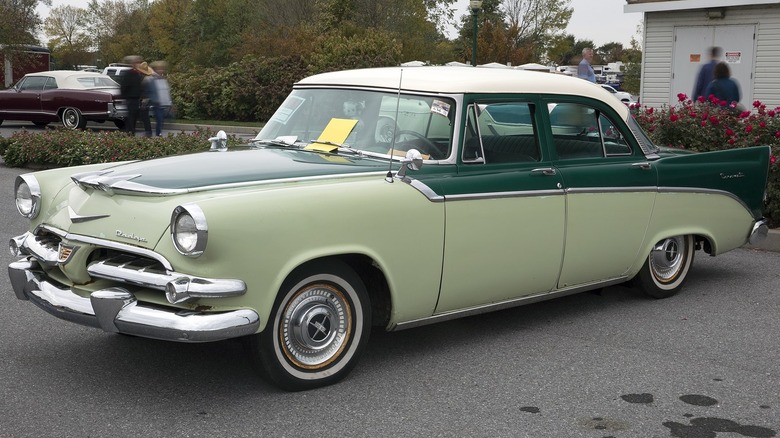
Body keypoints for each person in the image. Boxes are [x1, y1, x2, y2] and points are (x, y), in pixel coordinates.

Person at [118, 55, 145, 135]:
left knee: (134, 115)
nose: (138, 64)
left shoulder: (137, 74)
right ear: (133, 64)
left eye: (139, 63)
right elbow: (124, 86)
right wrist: (125, 95)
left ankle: (131, 130)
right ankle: (130, 131)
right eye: (137, 63)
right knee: (131, 115)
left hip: (136, 98)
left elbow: (140, 86)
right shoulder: (129, 74)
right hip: (131, 98)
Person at [149, 61, 173, 136]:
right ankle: (158, 135)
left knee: (162, 121)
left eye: (162, 68)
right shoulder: (152, 79)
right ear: (155, 69)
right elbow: (152, 92)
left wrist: (169, 102)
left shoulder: (163, 79)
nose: (161, 70)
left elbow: (166, 91)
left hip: (164, 104)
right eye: (159, 69)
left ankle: (158, 134)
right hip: (157, 104)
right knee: (159, 120)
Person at [137, 61, 156, 137]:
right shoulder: (151, 78)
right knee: (145, 116)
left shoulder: (146, 80)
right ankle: (148, 131)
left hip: (145, 99)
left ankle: (148, 131)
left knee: (145, 116)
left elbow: (144, 91)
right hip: (149, 98)